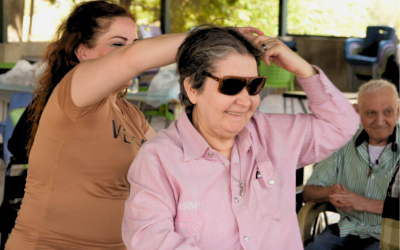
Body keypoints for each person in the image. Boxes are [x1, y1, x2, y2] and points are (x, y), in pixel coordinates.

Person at [121, 25, 359, 249]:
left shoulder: (273, 135)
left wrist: (303, 69)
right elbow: (150, 240)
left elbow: (342, 124)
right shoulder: (159, 159)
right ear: (193, 88)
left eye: (254, 85)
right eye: (231, 85)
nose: (245, 100)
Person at [4, 1, 205, 249]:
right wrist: (222, 39)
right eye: (117, 44)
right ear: (83, 52)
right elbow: (133, 59)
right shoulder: (75, 91)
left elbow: (174, 164)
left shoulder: (128, 112)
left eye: (133, 43)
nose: (127, 52)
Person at [303, 79, 400, 250]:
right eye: (371, 113)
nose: (379, 121)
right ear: (357, 111)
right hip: (345, 230)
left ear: (398, 112)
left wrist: (361, 202)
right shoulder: (343, 142)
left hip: (389, 237)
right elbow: (308, 192)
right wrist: (329, 193)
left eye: (388, 112)